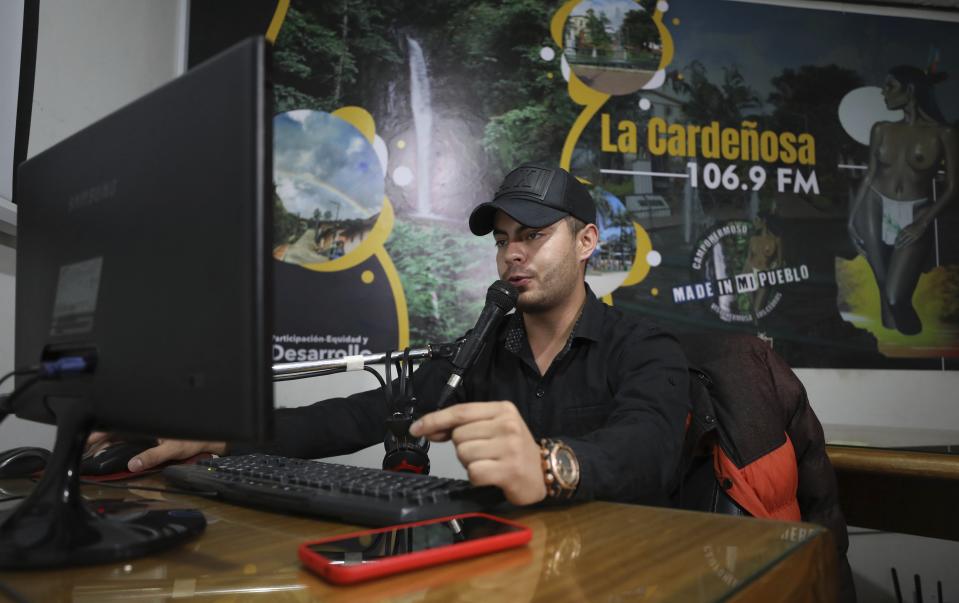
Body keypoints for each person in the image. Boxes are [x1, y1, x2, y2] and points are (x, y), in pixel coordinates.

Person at [90, 164, 691, 507]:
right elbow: (362, 415)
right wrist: (217, 436)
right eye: (503, 238)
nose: (513, 253)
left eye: (533, 234)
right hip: (521, 566)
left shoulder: (645, 345)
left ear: (586, 242)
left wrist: (550, 464)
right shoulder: (483, 348)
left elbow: (650, 448)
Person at [848, 65, 957, 335]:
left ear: (910, 91)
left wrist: (924, 222)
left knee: (896, 295)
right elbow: (870, 175)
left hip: (916, 212)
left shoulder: (943, 134)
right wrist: (851, 219)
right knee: (881, 279)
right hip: (873, 203)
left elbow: (953, 187)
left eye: (890, 86)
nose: (884, 93)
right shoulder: (881, 129)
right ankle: (890, 346)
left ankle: (912, 338)